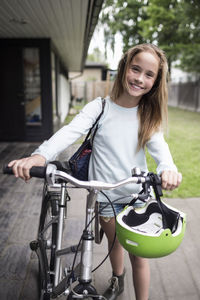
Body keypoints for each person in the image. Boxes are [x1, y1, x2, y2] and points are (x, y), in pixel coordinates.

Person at [8, 43, 182, 300]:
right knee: (115, 246)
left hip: (137, 199)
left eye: (149, 74)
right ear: (124, 68)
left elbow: (161, 150)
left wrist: (168, 169)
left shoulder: (147, 115)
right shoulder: (100, 108)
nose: (139, 78)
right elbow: (70, 132)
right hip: (104, 196)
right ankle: (117, 278)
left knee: (139, 256)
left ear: (156, 82)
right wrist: (40, 155)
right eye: (135, 69)